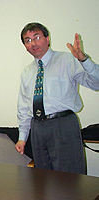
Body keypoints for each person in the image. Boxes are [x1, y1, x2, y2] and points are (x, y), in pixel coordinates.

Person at [15, 22, 99, 174]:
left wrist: (84, 60)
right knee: (42, 179)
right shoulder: (27, 72)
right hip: (37, 128)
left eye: (37, 37)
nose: (33, 43)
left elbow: (96, 83)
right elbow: (24, 107)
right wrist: (22, 137)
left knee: (69, 179)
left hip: (63, 125)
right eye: (27, 40)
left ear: (47, 39)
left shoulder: (67, 60)